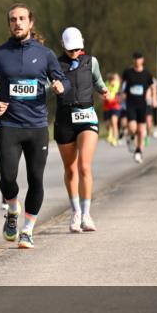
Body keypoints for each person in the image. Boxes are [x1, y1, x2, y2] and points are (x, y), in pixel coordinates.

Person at [0, 4, 67, 249]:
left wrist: (61, 86)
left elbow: (62, 79)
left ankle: (28, 230)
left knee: (36, 179)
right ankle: (12, 209)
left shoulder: (45, 54)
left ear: (31, 23)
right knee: (8, 178)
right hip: (9, 124)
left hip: (37, 126)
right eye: (13, 19)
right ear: (9, 24)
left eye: (22, 19)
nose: (17, 23)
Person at [54, 27, 110, 233]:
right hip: (64, 118)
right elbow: (44, 87)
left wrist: (103, 89)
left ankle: (87, 214)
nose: (74, 53)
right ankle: (75, 211)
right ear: (63, 46)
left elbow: (97, 80)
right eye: (70, 50)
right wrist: (53, 88)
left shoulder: (91, 61)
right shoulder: (55, 64)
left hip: (87, 115)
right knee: (70, 169)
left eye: (77, 49)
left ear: (82, 44)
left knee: (84, 166)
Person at [121, 52, 155, 164]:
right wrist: (121, 94)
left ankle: (138, 151)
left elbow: (152, 86)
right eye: (135, 59)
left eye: (139, 59)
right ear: (133, 60)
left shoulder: (147, 73)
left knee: (141, 130)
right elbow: (123, 85)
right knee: (132, 128)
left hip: (142, 104)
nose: (137, 61)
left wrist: (154, 99)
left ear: (142, 60)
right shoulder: (128, 72)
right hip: (130, 103)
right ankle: (131, 138)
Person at [102, 73, 122, 146]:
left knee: (114, 122)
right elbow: (101, 93)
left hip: (115, 106)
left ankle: (115, 139)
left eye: (113, 79)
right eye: (110, 80)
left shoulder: (117, 84)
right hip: (107, 107)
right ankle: (110, 134)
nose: (112, 81)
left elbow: (115, 95)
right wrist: (103, 97)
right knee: (107, 124)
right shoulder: (106, 84)